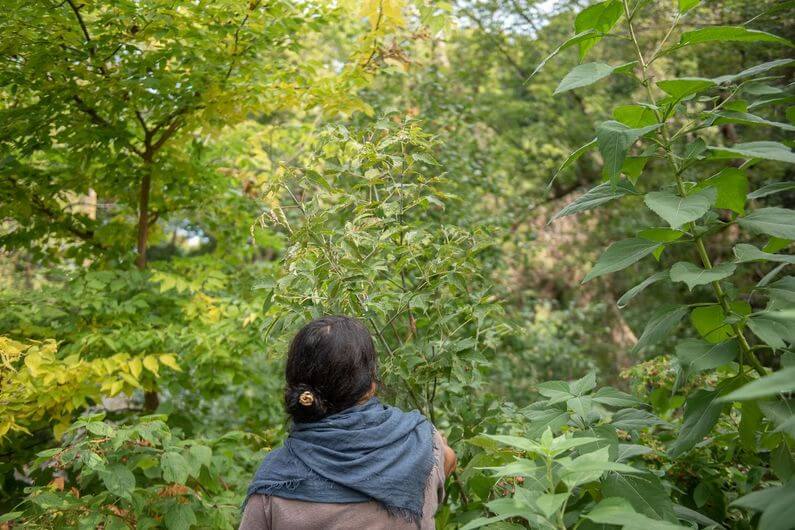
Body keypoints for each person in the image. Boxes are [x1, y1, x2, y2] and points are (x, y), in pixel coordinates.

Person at [240, 315, 457, 530]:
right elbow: (446, 459)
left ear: (298, 387)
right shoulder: (424, 443)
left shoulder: (274, 482)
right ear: (371, 380)